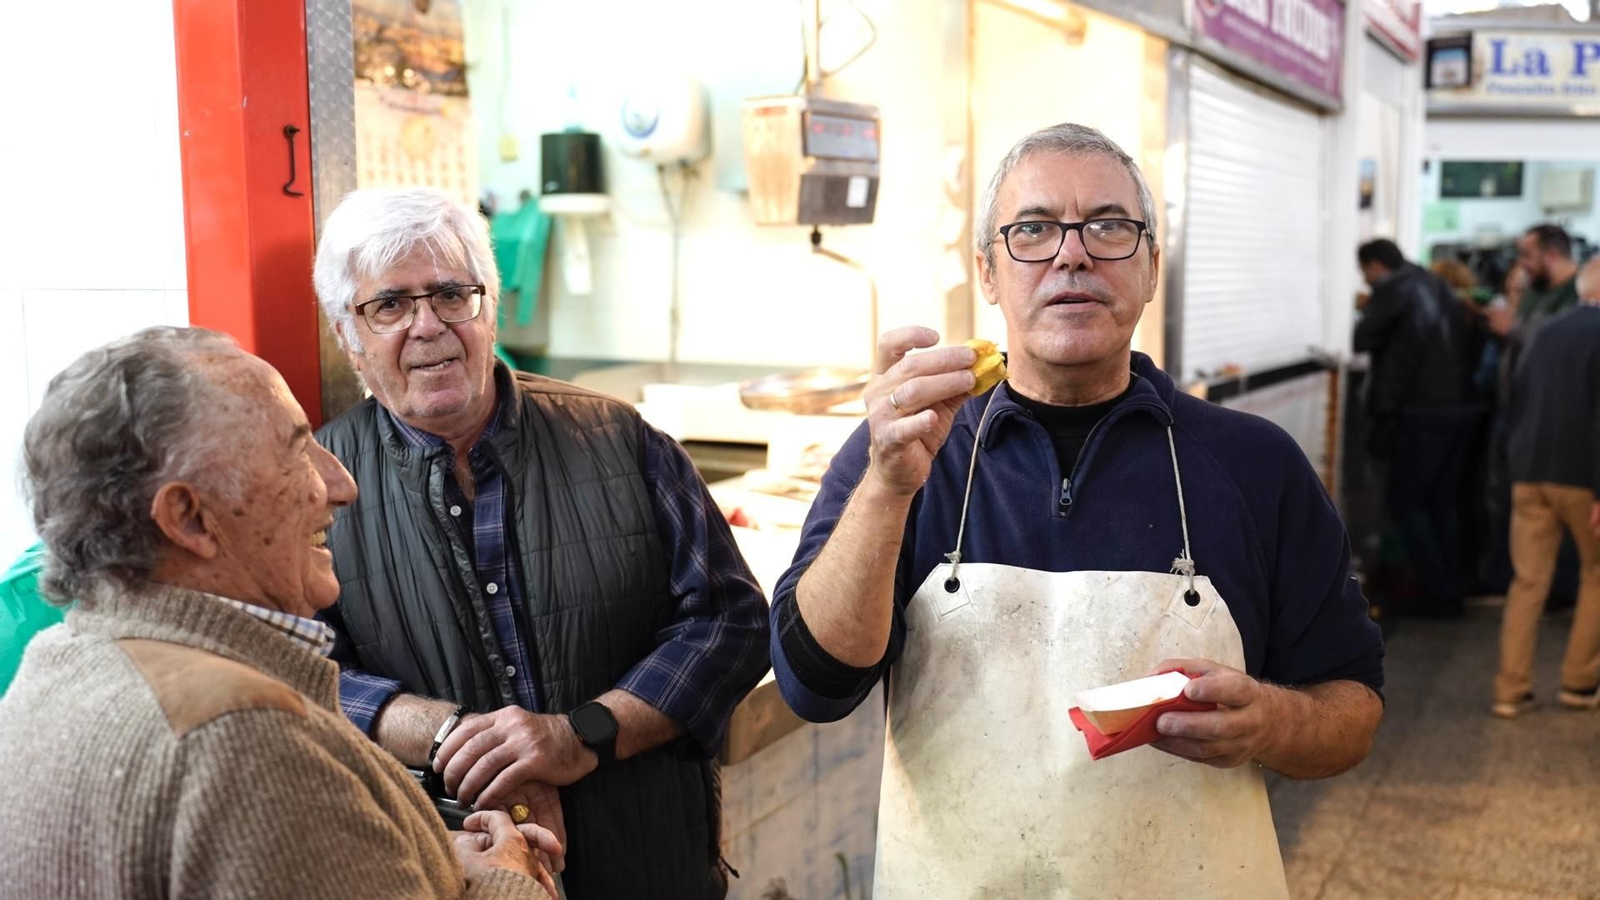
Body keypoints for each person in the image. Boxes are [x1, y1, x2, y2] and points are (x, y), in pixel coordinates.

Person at [767, 123, 1385, 897]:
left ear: (1152, 267)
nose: (1072, 254)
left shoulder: (1254, 466)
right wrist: (888, 489)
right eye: (1033, 230)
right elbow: (812, 686)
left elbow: (1353, 708)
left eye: (1109, 227)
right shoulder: (904, 453)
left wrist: (1273, 722)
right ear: (988, 272)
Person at [311, 187, 770, 899]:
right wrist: (445, 736)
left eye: (451, 294)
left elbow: (730, 623)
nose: (428, 325)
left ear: (489, 307)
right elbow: (299, 670)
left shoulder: (621, 440)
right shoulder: (316, 485)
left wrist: (579, 735)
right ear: (348, 334)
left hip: (651, 865)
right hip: (447, 872)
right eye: (390, 306)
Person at [0, 326, 558, 899]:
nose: (341, 485)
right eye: (296, 451)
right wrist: (506, 877)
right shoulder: (249, 740)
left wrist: (424, 859)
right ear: (190, 519)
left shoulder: (53, 668)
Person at [1492, 256, 1600, 717]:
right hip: (1585, 478)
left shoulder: (1546, 332)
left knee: (1528, 582)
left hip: (1530, 472)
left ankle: (1510, 691)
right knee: (1595, 577)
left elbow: (1512, 398)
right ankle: (1579, 682)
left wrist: (1517, 464)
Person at [1353, 239, 1480, 616]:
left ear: (1375, 266)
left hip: (1420, 411)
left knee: (1406, 503)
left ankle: (1438, 593)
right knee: (1441, 501)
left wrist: (1366, 307)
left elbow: (1363, 338)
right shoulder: (1434, 283)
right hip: (1459, 407)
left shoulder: (1394, 288)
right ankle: (1451, 589)